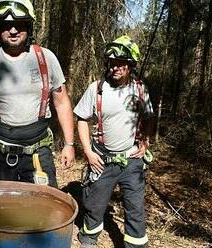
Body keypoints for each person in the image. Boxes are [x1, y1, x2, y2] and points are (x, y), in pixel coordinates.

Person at [0, 0, 74, 188]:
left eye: (19, 24)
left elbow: (62, 102)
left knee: (45, 209)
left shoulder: (46, 58)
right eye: (6, 26)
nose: (13, 31)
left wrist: (69, 144)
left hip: (38, 152)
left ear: (29, 26)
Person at [74, 35, 154, 247]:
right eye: (112, 62)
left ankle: (135, 245)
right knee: (95, 204)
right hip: (102, 158)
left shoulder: (140, 89)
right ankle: (88, 238)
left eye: (122, 63)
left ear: (131, 65)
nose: (116, 68)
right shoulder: (97, 88)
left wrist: (145, 141)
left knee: (135, 207)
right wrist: (88, 153)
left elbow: (148, 118)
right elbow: (82, 119)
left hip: (132, 160)